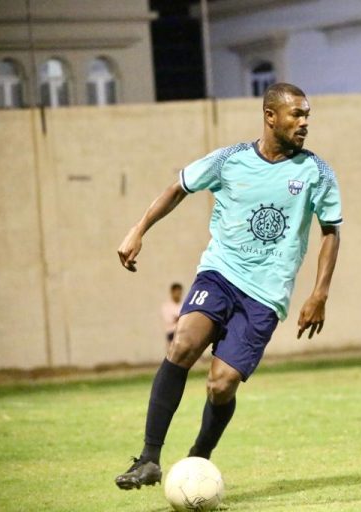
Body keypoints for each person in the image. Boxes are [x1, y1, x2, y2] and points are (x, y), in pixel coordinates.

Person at [114, 82, 342, 489]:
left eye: (307, 115)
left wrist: (319, 292)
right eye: (297, 114)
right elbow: (178, 188)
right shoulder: (229, 160)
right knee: (182, 344)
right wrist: (139, 229)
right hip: (219, 273)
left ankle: (198, 459)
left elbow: (331, 231)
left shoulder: (317, 172)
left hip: (266, 294)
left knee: (221, 385)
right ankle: (148, 459)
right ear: (270, 116)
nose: (305, 122)